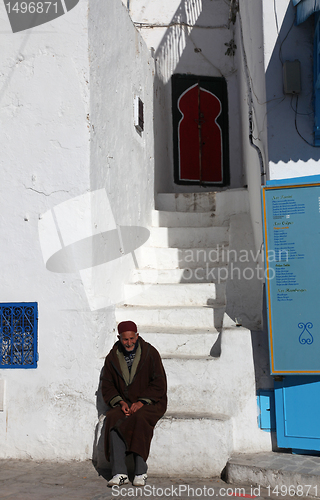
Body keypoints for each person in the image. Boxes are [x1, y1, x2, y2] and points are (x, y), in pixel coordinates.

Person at [101, 320, 167, 487]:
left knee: (140, 419)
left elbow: (159, 383)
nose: (129, 343)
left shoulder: (150, 353)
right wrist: (121, 402)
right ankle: (119, 472)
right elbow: (107, 385)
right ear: (119, 338)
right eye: (125, 339)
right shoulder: (112, 357)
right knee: (113, 419)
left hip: (150, 403)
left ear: (137, 336)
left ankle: (140, 471)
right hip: (125, 403)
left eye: (132, 339)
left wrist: (142, 402)